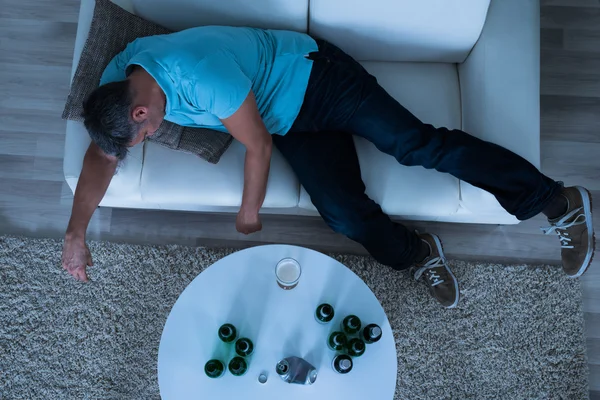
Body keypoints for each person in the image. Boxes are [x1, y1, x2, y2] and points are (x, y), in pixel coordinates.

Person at [61, 26, 595, 308]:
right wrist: (76, 231)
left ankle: (555, 201)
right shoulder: (119, 78)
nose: (151, 136)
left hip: (322, 81)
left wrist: (249, 213)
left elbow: (259, 147)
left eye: (146, 131)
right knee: (341, 214)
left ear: (139, 110)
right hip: (288, 118)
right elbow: (102, 157)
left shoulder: (198, 73)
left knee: (416, 146)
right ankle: (416, 253)